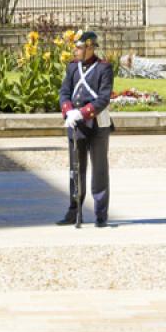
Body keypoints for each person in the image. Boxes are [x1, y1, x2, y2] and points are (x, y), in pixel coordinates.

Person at [57, 30, 114, 227]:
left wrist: (83, 112)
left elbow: (103, 98)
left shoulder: (104, 68)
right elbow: (64, 92)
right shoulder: (73, 67)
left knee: (99, 171)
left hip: (97, 125)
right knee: (75, 170)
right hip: (76, 124)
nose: (75, 50)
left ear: (90, 48)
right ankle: (74, 211)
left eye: (79, 47)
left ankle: (100, 214)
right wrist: (69, 111)